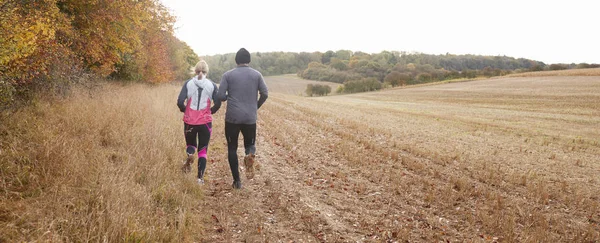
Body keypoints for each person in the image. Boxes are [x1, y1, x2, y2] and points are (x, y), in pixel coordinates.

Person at [217, 48, 268, 189]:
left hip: (232, 117)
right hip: (250, 118)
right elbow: (265, 93)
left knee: (232, 148)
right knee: (250, 145)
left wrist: (230, 96)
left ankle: (237, 181)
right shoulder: (257, 75)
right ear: (249, 60)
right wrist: (255, 106)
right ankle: (250, 154)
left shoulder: (228, 75)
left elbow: (220, 96)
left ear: (236, 60)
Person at [177, 60, 221, 185]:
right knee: (203, 150)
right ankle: (199, 179)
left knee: (191, 144)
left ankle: (190, 154)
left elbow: (180, 101)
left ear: (195, 71)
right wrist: (210, 111)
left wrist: (186, 111)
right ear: (206, 71)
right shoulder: (212, 85)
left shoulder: (188, 83)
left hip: (190, 121)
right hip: (205, 122)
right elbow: (218, 103)